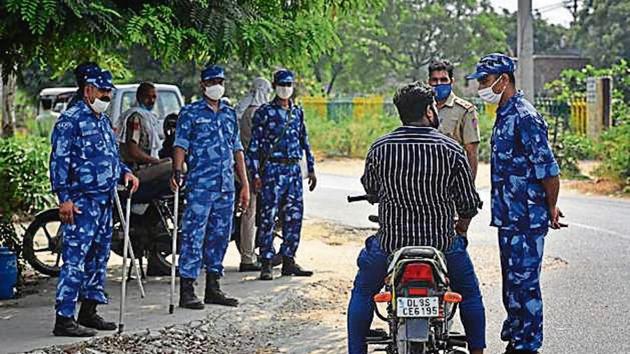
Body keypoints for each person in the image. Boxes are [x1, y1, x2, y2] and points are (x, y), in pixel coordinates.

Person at [346, 82, 486, 354]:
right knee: (469, 293)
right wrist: (460, 228)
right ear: (429, 111)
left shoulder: (380, 148)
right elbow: (468, 204)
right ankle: (478, 351)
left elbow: (371, 190)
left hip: (390, 244)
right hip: (442, 243)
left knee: (363, 291)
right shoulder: (451, 150)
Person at [466, 53, 564, 354]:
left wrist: (551, 207)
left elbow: (549, 170)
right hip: (508, 217)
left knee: (526, 286)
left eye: (484, 81)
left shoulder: (525, 116)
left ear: (503, 80)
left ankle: (528, 345)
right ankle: (516, 336)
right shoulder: (504, 113)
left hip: (527, 218)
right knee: (511, 284)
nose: (481, 87)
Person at [49, 68, 139, 337]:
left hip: (104, 201)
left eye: (110, 91)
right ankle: (64, 318)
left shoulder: (101, 121)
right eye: (103, 91)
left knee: (98, 258)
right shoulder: (70, 120)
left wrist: (125, 172)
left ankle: (89, 311)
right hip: (80, 202)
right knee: (75, 260)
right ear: (88, 90)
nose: (107, 96)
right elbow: (58, 161)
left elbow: (111, 156)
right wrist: (63, 198)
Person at [170, 65, 250, 309]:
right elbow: (180, 144)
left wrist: (244, 184)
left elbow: (237, 149)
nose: (217, 84)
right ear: (203, 84)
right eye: (212, 81)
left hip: (225, 186)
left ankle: (213, 287)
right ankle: (187, 290)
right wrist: (177, 170)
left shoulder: (228, 113)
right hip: (200, 185)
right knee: (194, 235)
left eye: (220, 80)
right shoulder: (190, 113)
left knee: (220, 236)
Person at [247, 69, 317, 281]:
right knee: (268, 217)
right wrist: (255, 174)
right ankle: (266, 261)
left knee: (294, 217)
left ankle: (289, 260)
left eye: (289, 84)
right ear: (275, 86)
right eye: (282, 84)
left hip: (293, 170)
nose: (285, 88)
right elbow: (254, 146)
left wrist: (311, 168)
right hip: (272, 170)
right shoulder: (264, 112)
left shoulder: (297, 112)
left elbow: (304, 141)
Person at [235, 77, 272, 272]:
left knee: (249, 213)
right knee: (252, 213)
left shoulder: (243, 111)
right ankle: (248, 257)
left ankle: (248, 254)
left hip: (243, 167)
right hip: (254, 169)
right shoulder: (258, 113)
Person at [116, 82, 172, 203]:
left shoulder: (148, 117)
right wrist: (155, 161)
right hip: (135, 170)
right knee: (176, 166)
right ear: (139, 97)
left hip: (146, 166)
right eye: (148, 97)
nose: (151, 101)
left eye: (154, 97)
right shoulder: (136, 117)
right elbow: (133, 151)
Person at [428, 59, 481, 179]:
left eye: (443, 80)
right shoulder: (422, 108)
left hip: (452, 178)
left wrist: (469, 187)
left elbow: (471, 152)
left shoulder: (465, 110)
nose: (439, 84)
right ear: (428, 82)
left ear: (451, 81)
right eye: (434, 80)